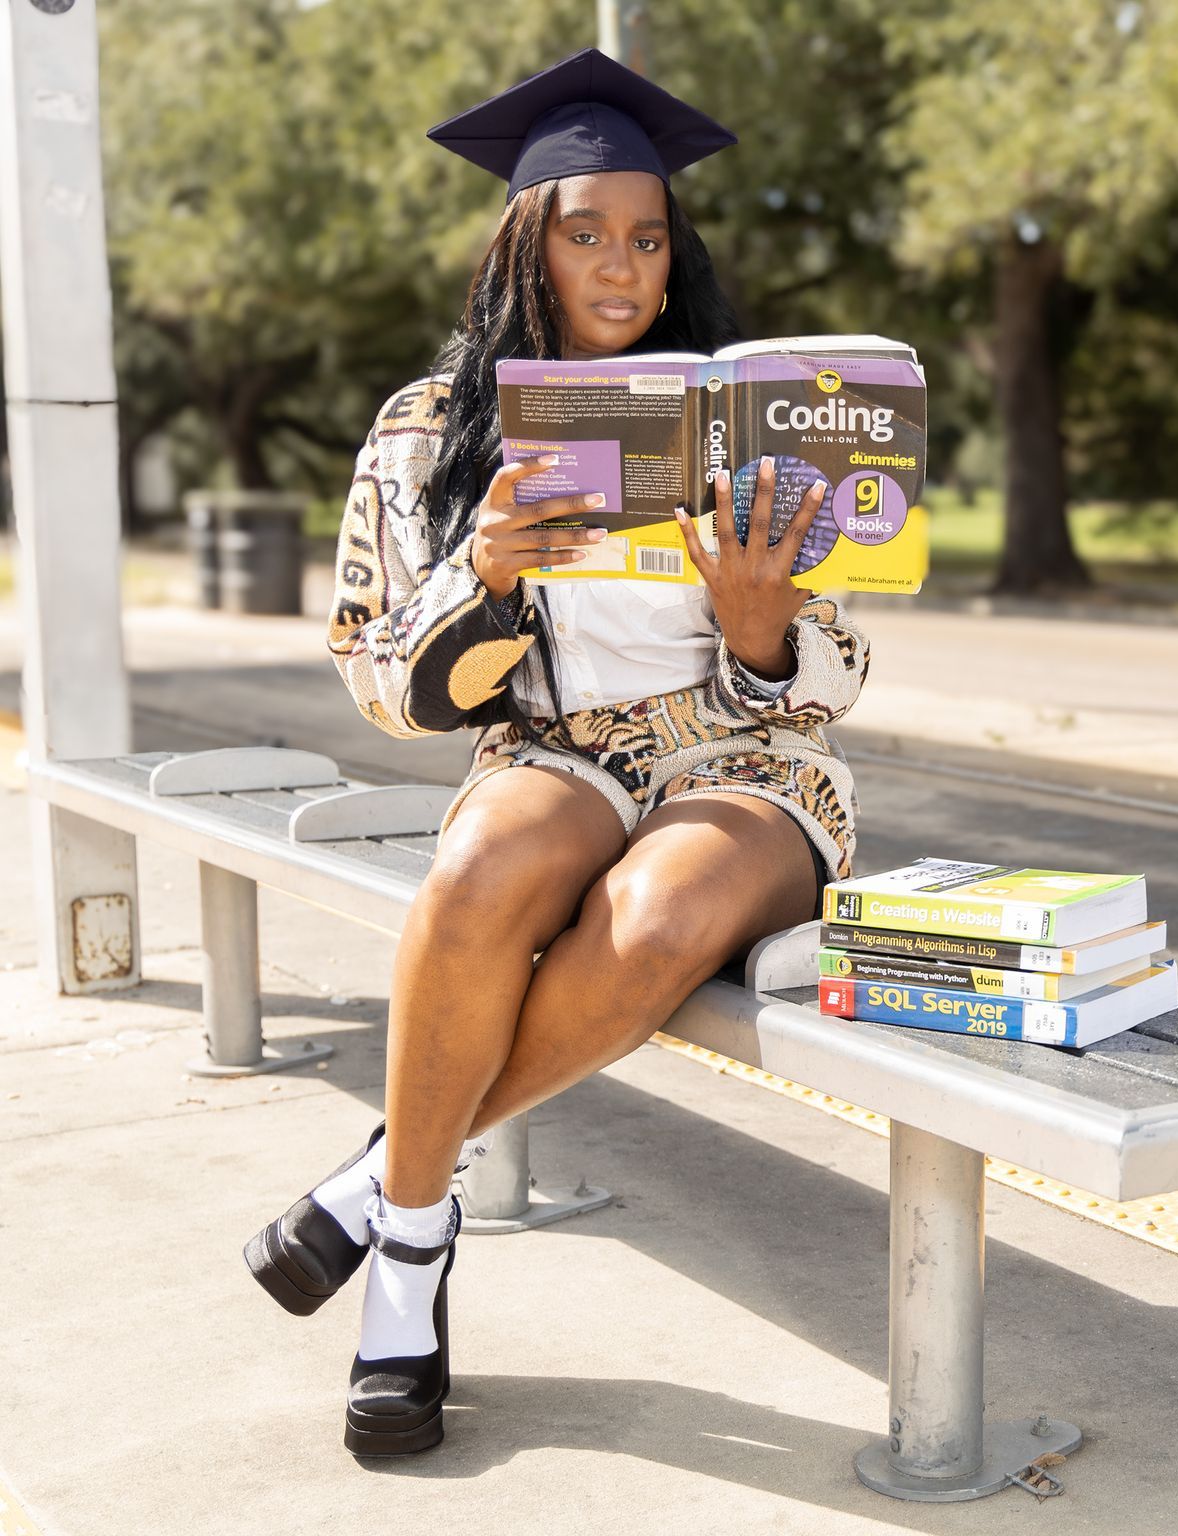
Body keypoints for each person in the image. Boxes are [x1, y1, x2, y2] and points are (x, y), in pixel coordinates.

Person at [241, 49, 869, 1458]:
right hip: (552, 746)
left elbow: (834, 680)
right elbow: (386, 687)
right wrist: (485, 568)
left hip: (740, 759)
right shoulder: (423, 434)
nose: (622, 267)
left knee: (657, 918)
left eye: (648, 238)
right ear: (523, 242)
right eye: (586, 232)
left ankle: (384, 1190)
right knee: (473, 877)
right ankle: (415, 1257)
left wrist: (764, 624)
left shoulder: (744, 416)